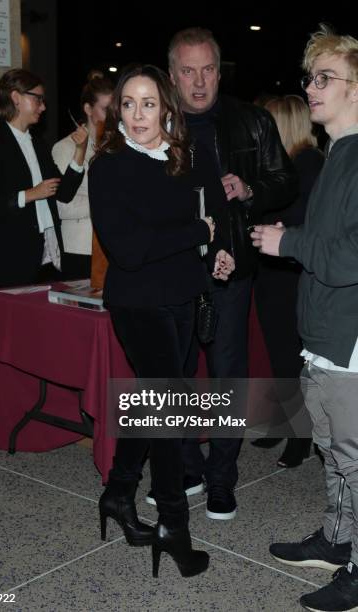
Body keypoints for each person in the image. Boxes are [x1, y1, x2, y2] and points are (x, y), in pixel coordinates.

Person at [88, 63, 234, 578]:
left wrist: (217, 249)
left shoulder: (182, 157)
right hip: (137, 303)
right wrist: (196, 231)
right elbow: (128, 251)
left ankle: (118, 493)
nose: (137, 114)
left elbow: (213, 211)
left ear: (166, 107)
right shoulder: (109, 165)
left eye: (148, 102)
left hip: (184, 297)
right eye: (127, 103)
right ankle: (174, 523)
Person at [166, 27, 298, 520]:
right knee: (172, 374)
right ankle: (187, 465)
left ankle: (222, 477)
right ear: (172, 74)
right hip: (172, 268)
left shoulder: (253, 120)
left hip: (231, 269)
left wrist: (249, 189)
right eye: (187, 70)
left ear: (219, 71)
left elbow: (284, 181)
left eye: (207, 70)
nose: (198, 82)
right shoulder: (155, 122)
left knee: (225, 375)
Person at [252, 24, 358, 612]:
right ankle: (339, 540)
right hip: (325, 332)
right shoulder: (338, 154)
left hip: (349, 335)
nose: (313, 88)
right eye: (309, 77)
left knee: (355, 454)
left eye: (327, 78)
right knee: (336, 451)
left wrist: (287, 241)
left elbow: (350, 255)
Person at [252, 95, 324, 467]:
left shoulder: (308, 164)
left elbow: (303, 221)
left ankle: (301, 435)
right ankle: (283, 423)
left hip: (290, 275)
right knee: (278, 355)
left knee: (289, 357)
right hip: (272, 272)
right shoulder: (286, 165)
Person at [0, 69, 87, 289]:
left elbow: (63, 193)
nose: (43, 107)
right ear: (16, 98)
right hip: (10, 261)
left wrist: (80, 150)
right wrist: (30, 194)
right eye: (38, 99)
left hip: (45, 257)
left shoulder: (38, 144)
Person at [52, 74, 113, 280]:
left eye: (116, 109)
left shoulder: (116, 147)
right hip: (79, 248)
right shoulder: (64, 148)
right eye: (106, 109)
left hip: (112, 246)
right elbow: (62, 207)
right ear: (88, 109)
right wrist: (105, 203)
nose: (114, 115)